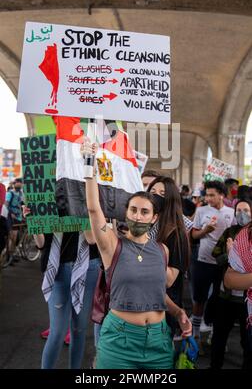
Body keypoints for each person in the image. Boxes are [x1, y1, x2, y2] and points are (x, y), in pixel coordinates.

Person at [83, 140, 192, 369]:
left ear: (154, 218)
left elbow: (156, 292)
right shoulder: (112, 245)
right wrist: (88, 163)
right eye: (133, 210)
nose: (138, 216)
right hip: (119, 342)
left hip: (158, 342)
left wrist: (178, 311)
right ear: (127, 213)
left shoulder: (162, 250)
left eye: (145, 212)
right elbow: (94, 208)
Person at [23, 204, 101, 369]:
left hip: (88, 265)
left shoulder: (90, 193)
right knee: (57, 332)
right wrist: (32, 220)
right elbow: (41, 243)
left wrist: (86, 207)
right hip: (58, 267)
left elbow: (92, 239)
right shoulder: (48, 195)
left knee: (79, 330)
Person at [190, 180, 234, 346]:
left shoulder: (232, 212)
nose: (207, 198)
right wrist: (205, 231)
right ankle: (195, 337)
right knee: (199, 299)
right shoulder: (201, 211)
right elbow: (194, 236)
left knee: (220, 300)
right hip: (202, 262)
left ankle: (215, 336)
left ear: (221, 195)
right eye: (206, 194)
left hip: (223, 264)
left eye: (211, 195)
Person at [210, 200, 252, 369]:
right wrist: (230, 255)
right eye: (239, 210)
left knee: (247, 340)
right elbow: (216, 255)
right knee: (219, 336)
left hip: (245, 301)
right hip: (226, 295)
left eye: (246, 210)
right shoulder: (229, 232)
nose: (242, 213)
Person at [147, 176, 190, 336]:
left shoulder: (176, 233)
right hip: (140, 304)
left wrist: (143, 246)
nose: (155, 196)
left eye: (162, 194)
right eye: (152, 191)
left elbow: (169, 280)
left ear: (171, 200)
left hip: (164, 307)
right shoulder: (145, 226)